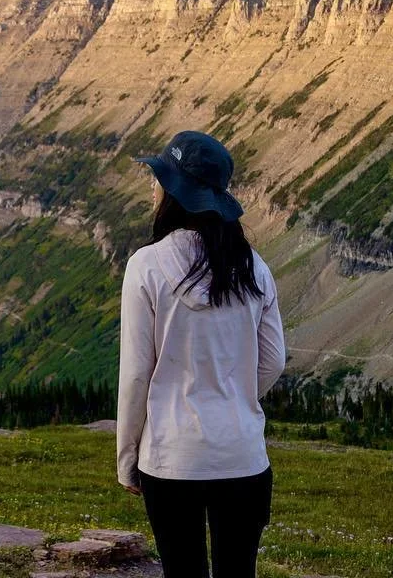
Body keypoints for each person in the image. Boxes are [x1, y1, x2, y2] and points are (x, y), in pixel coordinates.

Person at [116, 130, 287, 578]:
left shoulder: (146, 266)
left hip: (172, 457)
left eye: (158, 180)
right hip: (242, 454)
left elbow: (136, 373)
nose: (152, 187)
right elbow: (272, 360)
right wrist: (235, 395)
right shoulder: (253, 266)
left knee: (182, 571)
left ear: (174, 193)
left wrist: (126, 458)